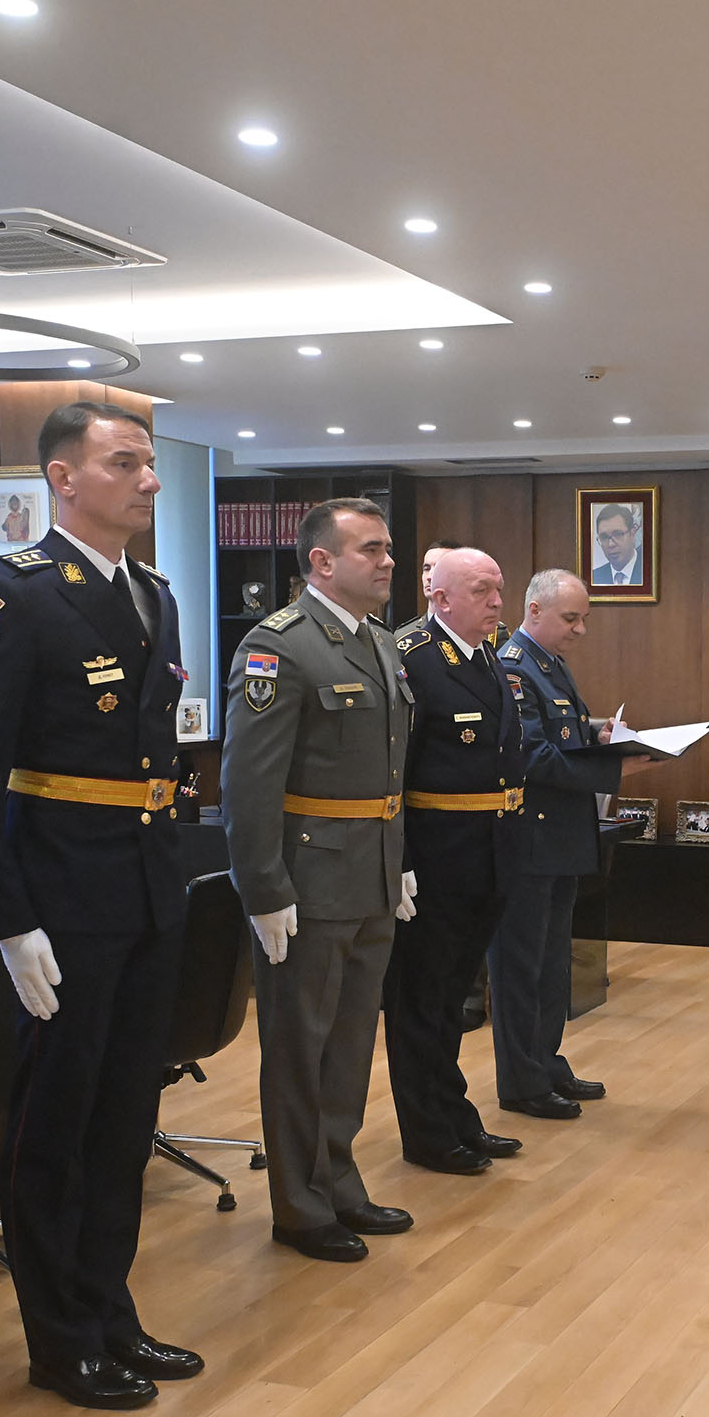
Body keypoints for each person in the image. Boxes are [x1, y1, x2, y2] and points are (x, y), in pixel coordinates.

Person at [0, 401, 201, 1408]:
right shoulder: (12, 592)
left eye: (149, 463)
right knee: (58, 1122)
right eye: (124, 462)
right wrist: (7, 922)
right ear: (62, 478)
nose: (148, 480)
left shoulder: (153, 593)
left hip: (144, 887)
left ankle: (109, 1307)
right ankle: (61, 1338)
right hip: (59, 895)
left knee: (125, 1116)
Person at [219, 498, 416, 1262]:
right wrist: (264, 888)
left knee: (350, 1042)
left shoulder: (381, 643)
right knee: (300, 1048)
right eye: (372, 548)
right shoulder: (280, 646)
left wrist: (398, 864)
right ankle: (300, 1206)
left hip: (370, 874)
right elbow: (249, 784)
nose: (389, 561)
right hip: (308, 882)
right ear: (323, 562)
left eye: (388, 547)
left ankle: (338, 1180)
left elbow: (387, 772)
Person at [383, 549, 528, 1175]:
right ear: (439, 598)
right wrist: (401, 861)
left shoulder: (485, 655)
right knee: (422, 1002)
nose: (497, 601)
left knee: (453, 1003)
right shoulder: (411, 658)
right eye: (481, 590)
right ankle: (427, 1133)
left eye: (499, 589)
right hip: (434, 861)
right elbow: (393, 773)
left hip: (486, 856)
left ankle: (455, 1115)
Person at [490, 569, 641, 1120]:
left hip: (560, 840)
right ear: (534, 611)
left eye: (584, 619)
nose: (580, 629)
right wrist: (615, 769)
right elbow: (532, 757)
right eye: (571, 618)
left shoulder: (549, 663)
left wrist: (597, 736)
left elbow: (562, 735)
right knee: (522, 967)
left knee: (554, 965)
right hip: (530, 841)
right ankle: (521, 1080)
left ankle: (546, 1064)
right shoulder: (515, 667)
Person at [589, 502, 645, 587]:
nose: (611, 544)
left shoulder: (649, 573)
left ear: (632, 533)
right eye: (604, 537)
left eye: (618, 534)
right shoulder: (594, 577)